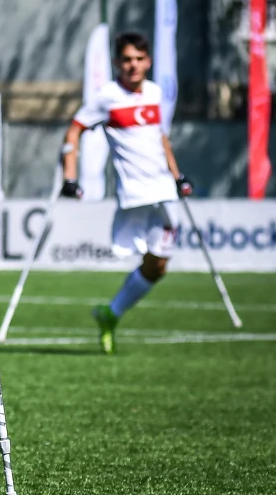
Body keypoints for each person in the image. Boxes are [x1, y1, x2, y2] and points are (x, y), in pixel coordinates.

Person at [61, 31, 192, 354]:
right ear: (117, 63)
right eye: (126, 60)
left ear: (147, 62)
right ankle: (111, 313)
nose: (133, 66)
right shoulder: (107, 97)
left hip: (162, 190)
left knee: (159, 265)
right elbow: (75, 129)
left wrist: (178, 176)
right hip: (133, 195)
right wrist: (69, 175)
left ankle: (110, 313)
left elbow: (161, 137)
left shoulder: (154, 92)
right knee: (133, 254)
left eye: (139, 59)